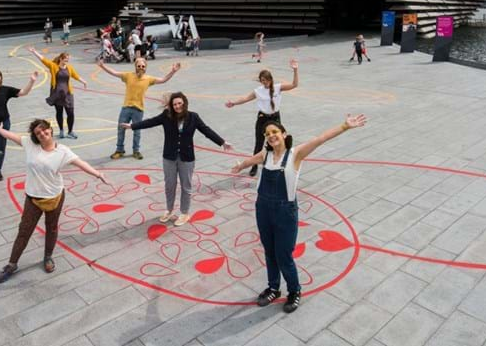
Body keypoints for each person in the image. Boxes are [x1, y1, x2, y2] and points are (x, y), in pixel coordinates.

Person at [231, 113, 367, 313]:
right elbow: (251, 160)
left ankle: (294, 291)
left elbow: (320, 139)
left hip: (285, 212)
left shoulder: (296, 154)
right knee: (269, 251)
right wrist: (240, 165)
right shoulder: (265, 155)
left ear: (284, 134)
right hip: (263, 209)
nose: (271, 136)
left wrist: (345, 126)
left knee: (283, 254)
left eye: (275, 132)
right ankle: (273, 288)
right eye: (267, 133)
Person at [0, 119, 109, 283]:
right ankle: (12, 264)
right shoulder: (30, 145)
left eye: (44, 130)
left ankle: (48, 257)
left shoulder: (63, 151)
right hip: (33, 197)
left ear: (50, 130)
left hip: (55, 196)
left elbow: (80, 163)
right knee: (24, 231)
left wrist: (98, 174)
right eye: (38, 133)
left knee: (52, 228)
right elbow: (13, 137)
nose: (42, 134)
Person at [121, 92, 233, 225]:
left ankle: (184, 213)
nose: (177, 106)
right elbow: (151, 122)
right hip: (169, 157)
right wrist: (133, 126)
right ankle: (169, 210)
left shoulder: (193, 117)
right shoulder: (166, 115)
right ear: (171, 106)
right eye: (174, 104)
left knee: (186, 186)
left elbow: (206, 130)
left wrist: (222, 142)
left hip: (187, 158)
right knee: (170, 185)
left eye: (179, 103)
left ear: (184, 103)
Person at [96, 57, 181, 160]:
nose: (141, 68)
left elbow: (163, 80)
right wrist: (102, 66)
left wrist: (172, 72)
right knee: (120, 129)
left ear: (146, 67)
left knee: (137, 131)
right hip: (126, 107)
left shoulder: (148, 79)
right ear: (135, 66)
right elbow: (114, 73)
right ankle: (119, 150)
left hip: (138, 110)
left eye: (143, 66)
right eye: (139, 66)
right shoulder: (128, 76)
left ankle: (136, 151)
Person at [225, 59, 299, 176]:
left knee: (280, 141)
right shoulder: (258, 91)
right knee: (259, 143)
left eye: (266, 80)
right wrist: (233, 103)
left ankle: (282, 163)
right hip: (262, 118)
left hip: (275, 118)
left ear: (270, 79)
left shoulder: (278, 87)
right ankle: (254, 166)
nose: (265, 82)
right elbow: (245, 98)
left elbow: (294, 85)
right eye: (262, 80)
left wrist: (295, 70)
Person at [27, 47, 87, 139]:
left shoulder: (69, 68)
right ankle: (61, 131)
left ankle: (70, 131)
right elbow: (43, 60)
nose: (67, 60)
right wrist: (34, 51)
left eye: (68, 59)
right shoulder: (53, 66)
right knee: (59, 112)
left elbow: (76, 76)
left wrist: (84, 82)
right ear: (61, 59)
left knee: (70, 112)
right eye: (66, 58)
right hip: (57, 94)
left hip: (68, 94)